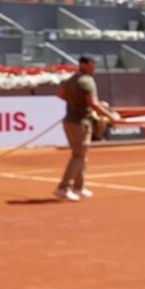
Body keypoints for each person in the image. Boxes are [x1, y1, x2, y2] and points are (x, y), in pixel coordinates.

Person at [54, 57, 120, 201]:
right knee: (78, 156)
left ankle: (79, 188)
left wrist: (75, 103)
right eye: (91, 65)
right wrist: (111, 116)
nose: (93, 67)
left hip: (70, 122)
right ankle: (63, 188)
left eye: (94, 65)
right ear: (83, 64)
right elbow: (93, 103)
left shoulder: (71, 79)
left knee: (81, 155)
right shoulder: (87, 81)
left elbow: (60, 95)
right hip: (80, 123)